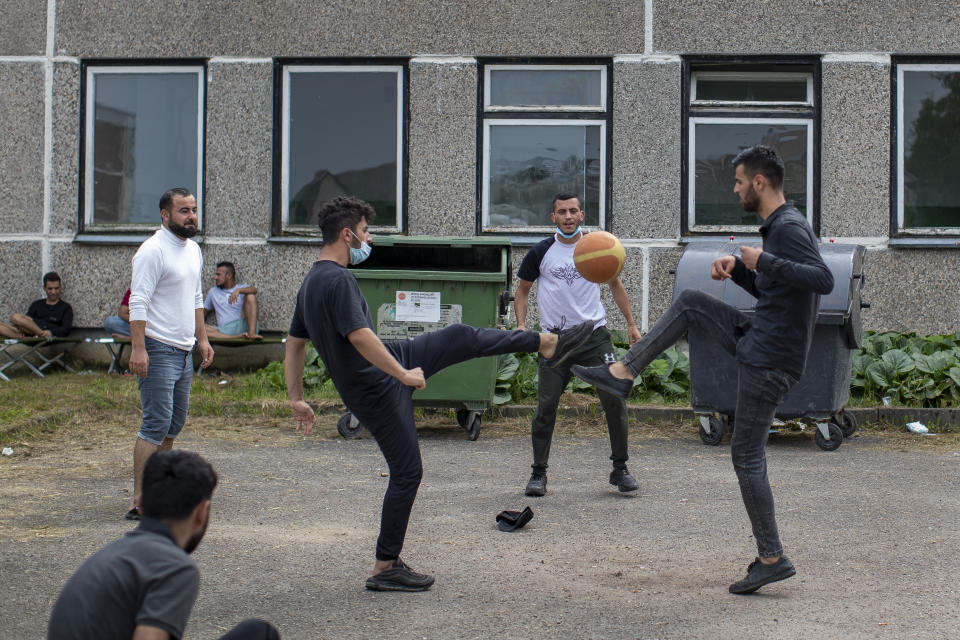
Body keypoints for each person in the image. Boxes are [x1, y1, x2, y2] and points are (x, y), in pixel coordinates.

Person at [285, 196, 594, 592]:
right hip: (377, 386)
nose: (369, 240)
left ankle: (544, 342)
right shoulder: (338, 280)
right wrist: (403, 374)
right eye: (365, 232)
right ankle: (385, 567)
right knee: (408, 472)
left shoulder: (311, 281)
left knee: (459, 336)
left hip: (389, 362)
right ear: (347, 235)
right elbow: (359, 336)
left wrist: (296, 396)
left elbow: (294, 343)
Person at [572, 145, 834, 595]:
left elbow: (822, 280)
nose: (733, 190)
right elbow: (780, 290)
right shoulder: (780, 227)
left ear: (759, 182)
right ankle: (624, 371)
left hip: (769, 357)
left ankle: (772, 557)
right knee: (692, 304)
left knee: (747, 456)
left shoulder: (788, 227)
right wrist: (739, 271)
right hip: (760, 340)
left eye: (737, 181)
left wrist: (761, 260)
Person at [47, 450, 280, 640]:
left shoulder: (111, 555)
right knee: (258, 634)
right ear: (202, 512)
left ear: (140, 503)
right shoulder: (174, 567)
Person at [514, 193, 643, 497]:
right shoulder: (541, 252)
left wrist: (632, 323)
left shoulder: (597, 248)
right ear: (553, 217)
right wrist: (521, 327)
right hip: (554, 340)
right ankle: (538, 473)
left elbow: (615, 284)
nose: (568, 216)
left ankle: (620, 469)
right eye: (562, 212)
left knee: (615, 397)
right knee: (546, 405)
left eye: (573, 211)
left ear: (582, 215)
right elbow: (522, 291)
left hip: (594, 338)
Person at [126, 187, 214, 521]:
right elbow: (138, 301)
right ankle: (140, 500)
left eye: (193, 210)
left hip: (183, 348)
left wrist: (202, 340)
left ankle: (159, 490)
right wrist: (138, 348)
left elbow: (195, 298)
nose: (192, 216)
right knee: (156, 422)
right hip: (157, 347)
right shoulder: (152, 251)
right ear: (165, 215)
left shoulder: (192, 250)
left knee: (174, 422)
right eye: (184, 211)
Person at [0, 272, 73, 339]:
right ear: (44, 288)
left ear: (60, 287)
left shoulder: (65, 307)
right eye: (50, 289)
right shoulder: (37, 304)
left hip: (50, 333)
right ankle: (38, 334)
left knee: (16, 317)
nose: (53, 292)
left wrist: (50, 332)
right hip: (31, 334)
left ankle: (41, 334)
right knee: (12, 320)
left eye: (56, 288)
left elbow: (65, 329)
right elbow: (26, 322)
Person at [203, 262, 261, 339]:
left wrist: (239, 290)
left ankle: (252, 333)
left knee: (250, 296)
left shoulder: (243, 287)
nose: (215, 277)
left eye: (218, 275)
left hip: (243, 327)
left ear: (229, 275)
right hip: (224, 330)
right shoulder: (213, 292)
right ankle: (235, 337)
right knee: (196, 327)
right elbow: (203, 313)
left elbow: (254, 290)